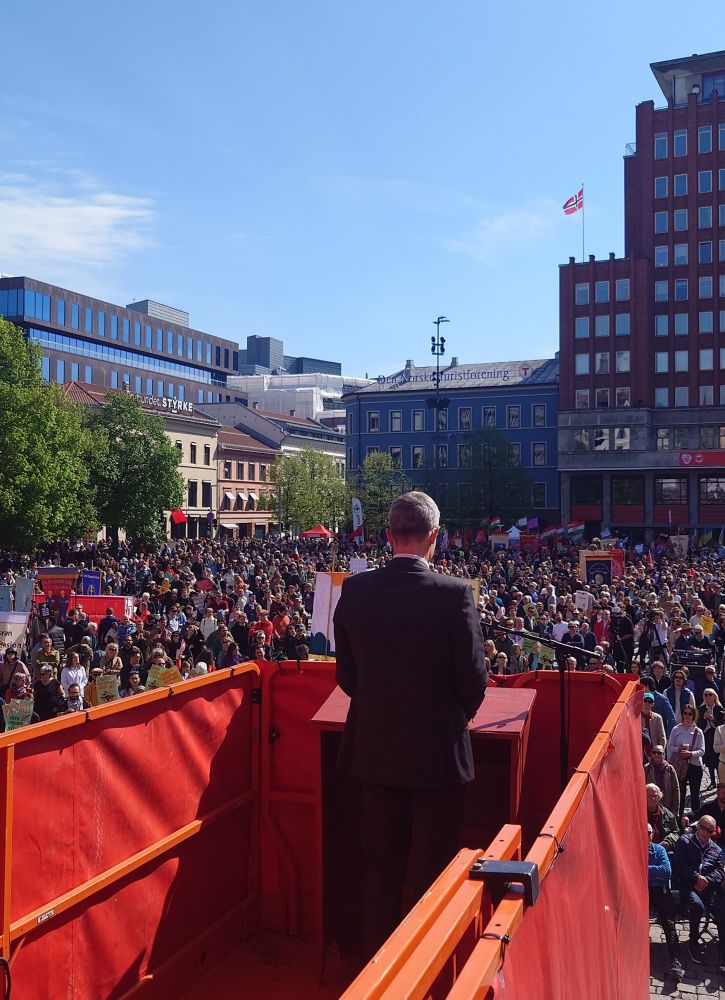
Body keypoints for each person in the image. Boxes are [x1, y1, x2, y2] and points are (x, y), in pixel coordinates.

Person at [333, 492, 487, 956]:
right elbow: (473, 682)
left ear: (387, 536)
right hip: (437, 756)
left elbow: (347, 675)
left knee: (381, 864)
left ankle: (375, 967)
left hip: (374, 751)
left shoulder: (356, 590)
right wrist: (448, 719)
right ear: (434, 538)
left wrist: (383, 710)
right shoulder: (455, 594)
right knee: (434, 870)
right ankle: (427, 966)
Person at [672, 815, 725, 965]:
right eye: (702, 827)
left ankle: (723, 949)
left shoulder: (715, 849)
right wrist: (696, 878)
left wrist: (707, 880)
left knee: (721, 910)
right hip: (688, 885)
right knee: (697, 906)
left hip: (708, 887)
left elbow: (720, 871)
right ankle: (693, 942)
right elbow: (678, 865)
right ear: (698, 826)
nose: (705, 832)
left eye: (709, 830)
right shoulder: (685, 841)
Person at [648, 822, 683, 982]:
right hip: (642, 889)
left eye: (649, 833)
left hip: (660, 890)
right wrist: (655, 871)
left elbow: (667, 871)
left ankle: (675, 961)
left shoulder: (659, 849)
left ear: (652, 835)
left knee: (669, 923)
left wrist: (645, 868)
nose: (646, 836)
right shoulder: (632, 849)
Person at [667, 706, 705, 817]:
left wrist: (691, 754)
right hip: (680, 765)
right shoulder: (676, 729)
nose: (687, 716)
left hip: (695, 765)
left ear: (693, 715)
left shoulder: (698, 731)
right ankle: (679, 819)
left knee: (695, 794)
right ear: (682, 714)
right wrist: (678, 749)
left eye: (690, 714)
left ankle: (695, 818)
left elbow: (702, 750)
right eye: (685, 713)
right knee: (680, 793)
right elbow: (670, 747)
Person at [683, 782, 725, 848]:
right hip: (708, 842)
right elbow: (697, 814)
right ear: (717, 792)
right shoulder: (709, 806)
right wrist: (687, 817)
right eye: (724, 793)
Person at [698, 689, 725, 788]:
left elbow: (722, 724)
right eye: (706, 695)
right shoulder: (701, 709)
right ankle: (712, 781)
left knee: (717, 759)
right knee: (709, 759)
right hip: (707, 736)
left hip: (717, 735)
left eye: (710, 695)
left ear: (714, 696)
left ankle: (720, 781)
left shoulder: (719, 708)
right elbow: (699, 725)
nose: (708, 697)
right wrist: (704, 718)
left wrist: (713, 719)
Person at [644, 747, 680, 817]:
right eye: (654, 752)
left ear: (664, 755)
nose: (656, 754)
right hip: (650, 807)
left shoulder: (670, 769)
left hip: (667, 806)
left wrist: (675, 811)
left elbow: (676, 789)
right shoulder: (646, 768)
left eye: (659, 753)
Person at [645, 783, 680, 851]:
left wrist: (668, 841)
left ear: (659, 797)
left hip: (662, 850)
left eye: (655, 796)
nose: (652, 798)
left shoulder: (667, 814)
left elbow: (676, 832)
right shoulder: (639, 813)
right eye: (649, 796)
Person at [641, 693, 666, 763]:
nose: (647, 703)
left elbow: (662, 738)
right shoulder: (635, 717)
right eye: (645, 700)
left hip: (654, 755)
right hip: (641, 755)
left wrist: (658, 754)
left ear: (653, 704)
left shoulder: (658, 718)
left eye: (650, 701)